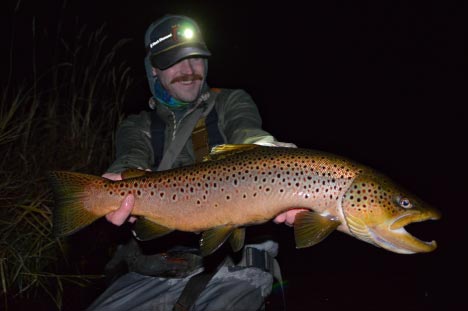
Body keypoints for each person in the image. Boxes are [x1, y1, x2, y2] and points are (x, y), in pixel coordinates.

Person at [88, 14, 302, 311]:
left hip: (237, 267)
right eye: (174, 62)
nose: (189, 71)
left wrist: (264, 147)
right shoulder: (137, 125)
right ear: (153, 70)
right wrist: (118, 178)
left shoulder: (231, 102)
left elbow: (247, 130)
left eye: (196, 59)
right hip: (157, 267)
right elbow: (130, 157)